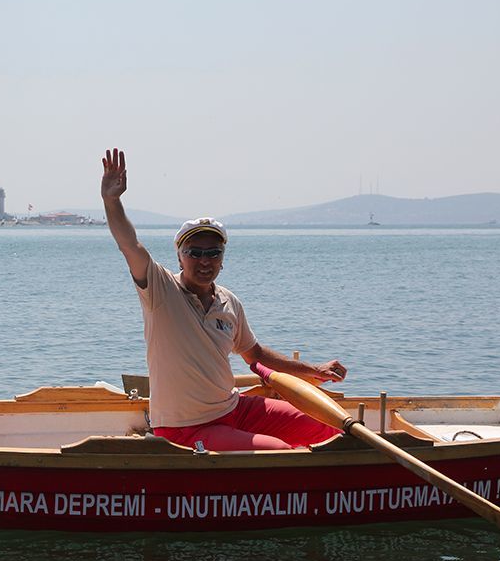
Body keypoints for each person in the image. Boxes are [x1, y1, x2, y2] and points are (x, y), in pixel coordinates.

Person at [101, 148, 348, 451]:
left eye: (213, 253)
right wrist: (112, 201)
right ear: (180, 258)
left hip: (234, 409)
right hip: (185, 429)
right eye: (195, 253)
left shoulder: (229, 302)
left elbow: (255, 355)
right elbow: (130, 245)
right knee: (279, 452)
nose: (205, 260)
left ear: (223, 259)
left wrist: (314, 370)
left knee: (330, 428)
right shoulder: (160, 290)